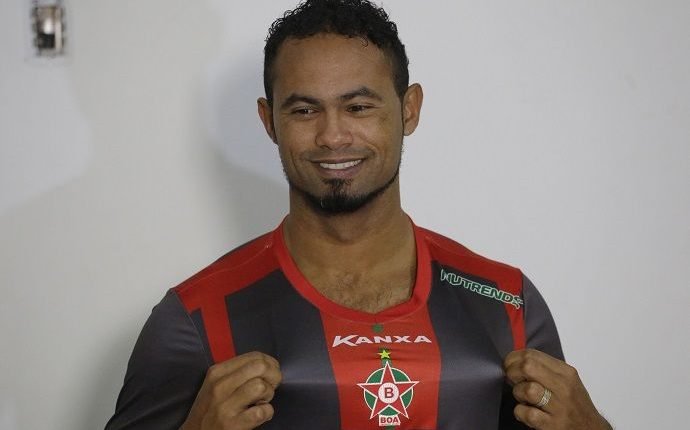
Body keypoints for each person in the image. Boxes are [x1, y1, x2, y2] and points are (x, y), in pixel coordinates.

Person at [106, 0, 612, 429]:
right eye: (304, 110)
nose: (332, 136)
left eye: (359, 107)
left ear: (409, 109)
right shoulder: (195, 318)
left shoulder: (506, 301)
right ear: (269, 121)